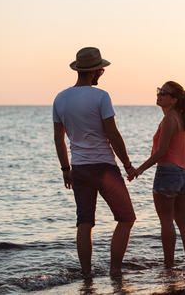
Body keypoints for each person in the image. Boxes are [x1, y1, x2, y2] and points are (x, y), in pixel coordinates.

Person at [53, 47, 137, 277]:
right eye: (101, 69)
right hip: (104, 168)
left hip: (79, 169)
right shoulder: (101, 96)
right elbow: (113, 135)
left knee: (84, 223)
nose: (102, 73)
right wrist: (128, 165)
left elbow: (58, 140)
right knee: (127, 218)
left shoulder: (60, 98)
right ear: (93, 72)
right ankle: (115, 270)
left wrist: (65, 169)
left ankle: (87, 275)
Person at [135, 81, 185, 268]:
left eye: (164, 93)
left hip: (168, 173)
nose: (159, 94)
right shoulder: (181, 118)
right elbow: (183, 149)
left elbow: (161, 152)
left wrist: (139, 169)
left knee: (167, 221)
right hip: (183, 174)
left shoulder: (169, 119)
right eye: (159, 90)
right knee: (182, 219)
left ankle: (169, 265)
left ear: (174, 100)